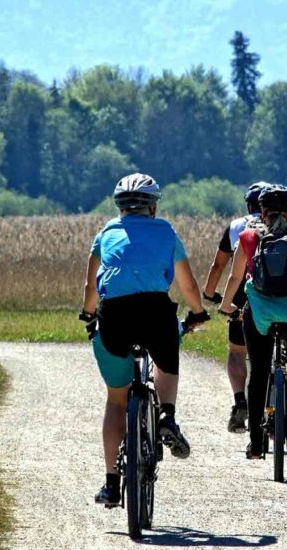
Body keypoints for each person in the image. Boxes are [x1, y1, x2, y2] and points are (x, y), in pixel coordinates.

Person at [80, 172, 210, 507]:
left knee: (116, 400)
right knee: (166, 357)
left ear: (120, 207)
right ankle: (166, 414)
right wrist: (198, 312)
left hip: (114, 317)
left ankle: (111, 483)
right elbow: (189, 285)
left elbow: (90, 288)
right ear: (153, 207)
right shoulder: (166, 232)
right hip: (155, 313)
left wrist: (88, 313)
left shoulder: (105, 233)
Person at [219, 184, 287, 459]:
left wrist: (226, 304)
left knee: (258, 375)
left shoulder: (247, 236)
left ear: (261, 210)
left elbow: (234, 278)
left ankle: (256, 443)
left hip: (259, 310)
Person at [202, 182, 268, 433]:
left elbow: (218, 266)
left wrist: (210, 293)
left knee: (237, 351)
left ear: (249, 204)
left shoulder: (236, 227)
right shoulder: (284, 226)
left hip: (242, 294)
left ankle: (240, 400)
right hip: (277, 296)